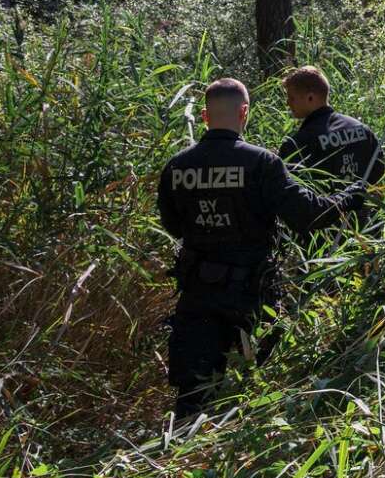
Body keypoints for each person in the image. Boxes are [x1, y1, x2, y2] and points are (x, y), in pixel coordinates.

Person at [156, 77, 364, 421]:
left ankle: (179, 458)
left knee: (193, 396)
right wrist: (350, 197)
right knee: (263, 386)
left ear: (206, 118)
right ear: (244, 112)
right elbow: (307, 214)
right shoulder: (262, 164)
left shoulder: (178, 166)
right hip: (252, 294)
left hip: (198, 293)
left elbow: (173, 226)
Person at [280, 65, 385, 220]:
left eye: (292, 97)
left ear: (310, 98)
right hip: (365, 227)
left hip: (323, 233)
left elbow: (291, 199)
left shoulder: (298, 143)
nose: (288, 103)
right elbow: (379, 170)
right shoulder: (362, 130)